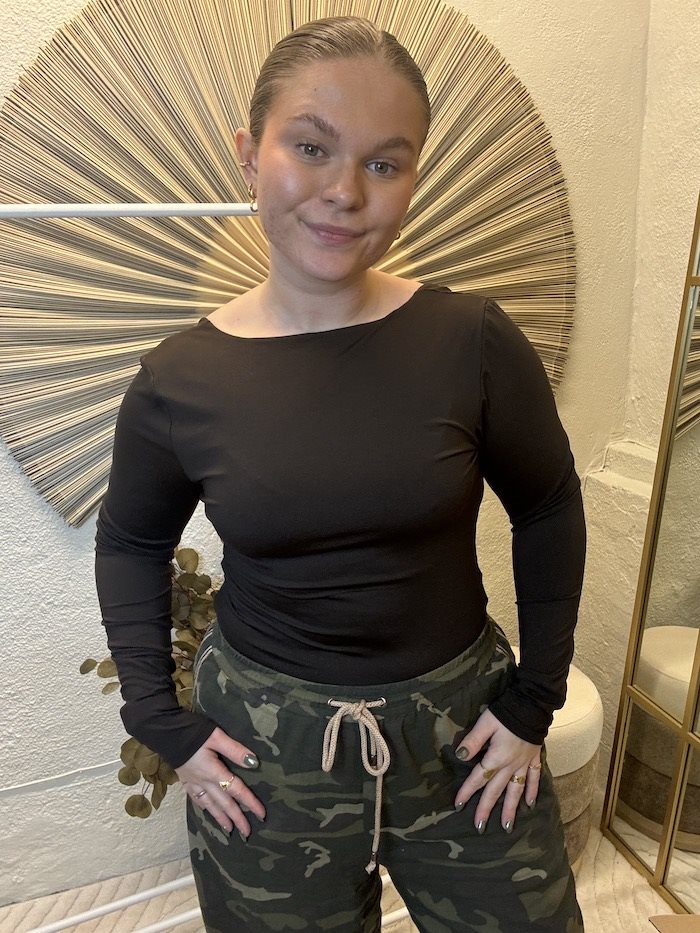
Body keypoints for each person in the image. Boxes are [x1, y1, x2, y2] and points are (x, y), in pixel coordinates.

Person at [95, 15, 586, 932]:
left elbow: (550, 504)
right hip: (264, 751)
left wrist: (536, 699)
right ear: (249, 155)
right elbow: (129, 542)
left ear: (413, 179)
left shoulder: (473, 340)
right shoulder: (177, 381)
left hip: (465, 740)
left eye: (384, 163)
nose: (344, 192)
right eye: (311, 147)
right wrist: (159, 719)